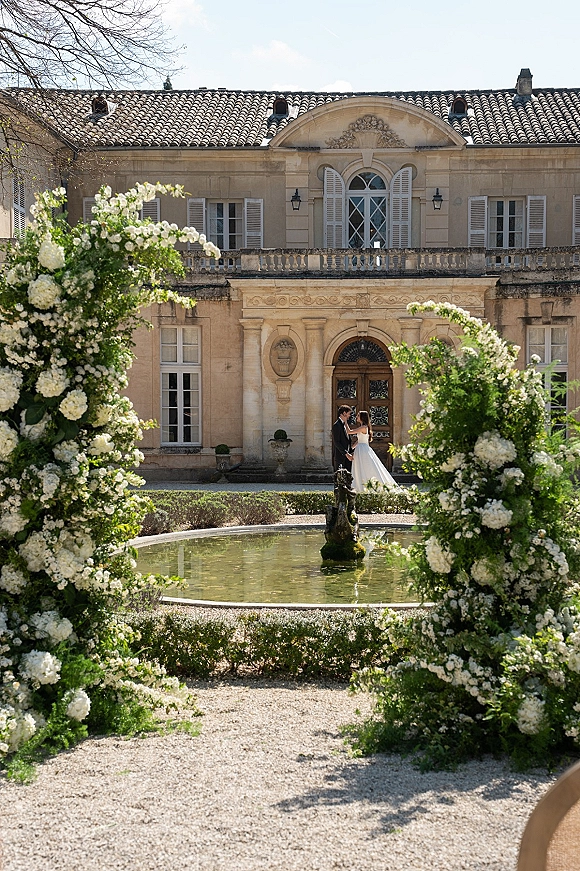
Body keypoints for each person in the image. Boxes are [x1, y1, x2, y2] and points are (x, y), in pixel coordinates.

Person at [347, 410, 399, 493]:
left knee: (365, 467)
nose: (356, 417)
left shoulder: (363, 427)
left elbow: (349, 432)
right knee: (359, 467)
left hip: (362, 450)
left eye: (358, 416)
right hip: (361, 448)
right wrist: (352, 448)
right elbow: (359, 440)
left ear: (362, 417)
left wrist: (345, 422)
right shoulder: (364, 427)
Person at [332, 405, 353, 472]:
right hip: (340, 457)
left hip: (347, 458)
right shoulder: (336, 425)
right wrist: (346, 454)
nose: (349, 416)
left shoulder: (345, 425)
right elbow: (336, 442)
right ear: (344, 413)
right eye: (349, 414)